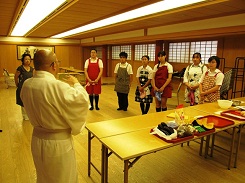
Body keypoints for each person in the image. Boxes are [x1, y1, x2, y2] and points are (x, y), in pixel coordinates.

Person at [20, 49, 89, 183]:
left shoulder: (27, 85)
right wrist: (76, 83)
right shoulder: (56, 86)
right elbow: (82, 100)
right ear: (53, 65)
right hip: (58, 144)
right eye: (57, 62)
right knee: (64, 179)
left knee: (43, 177)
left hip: (37, 140)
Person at [14, 53, 34, 120]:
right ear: (23, 60)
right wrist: (17, 84)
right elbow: (16, 77)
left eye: (29, 59)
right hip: (22, 87)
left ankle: (30, 115)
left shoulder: (32, 69)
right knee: (23, 101)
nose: (27, 60)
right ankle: (24, 115)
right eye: (26, 59)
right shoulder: (20, 68)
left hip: (30, 88)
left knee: (29, 101)